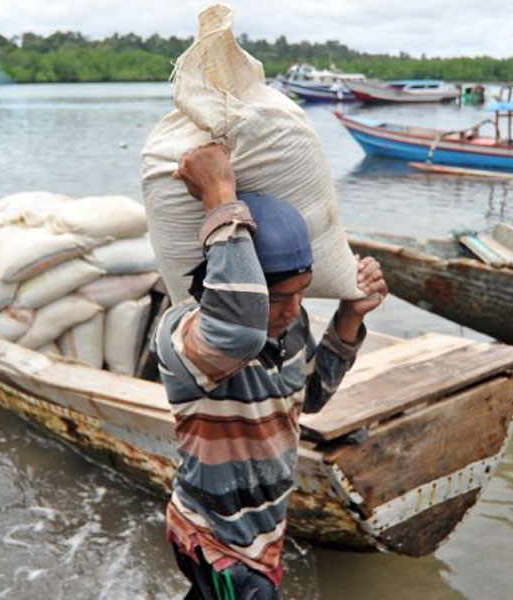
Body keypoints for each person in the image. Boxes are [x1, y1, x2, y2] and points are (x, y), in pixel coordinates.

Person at [152, 143, 388, 599]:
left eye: (301, 292)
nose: (292, 309)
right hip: (217, 540)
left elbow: (308, 397)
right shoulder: (183, 334)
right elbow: (237, 329)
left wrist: (348, 318)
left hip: (264, 534)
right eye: (276, 298)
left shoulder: (290, 324)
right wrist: (219, 193)